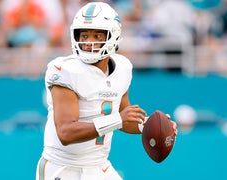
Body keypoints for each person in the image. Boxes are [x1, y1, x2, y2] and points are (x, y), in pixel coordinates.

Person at [36, 2, 178, 180]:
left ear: (114, 36)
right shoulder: (65, 70)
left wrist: (152, 125)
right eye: (85, 35)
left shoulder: (122, 68)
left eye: (97, 35)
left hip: (99, 167)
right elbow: (66, 132)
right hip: (63, 168)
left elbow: (125, 118)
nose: (89, 42)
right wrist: (117, 119)